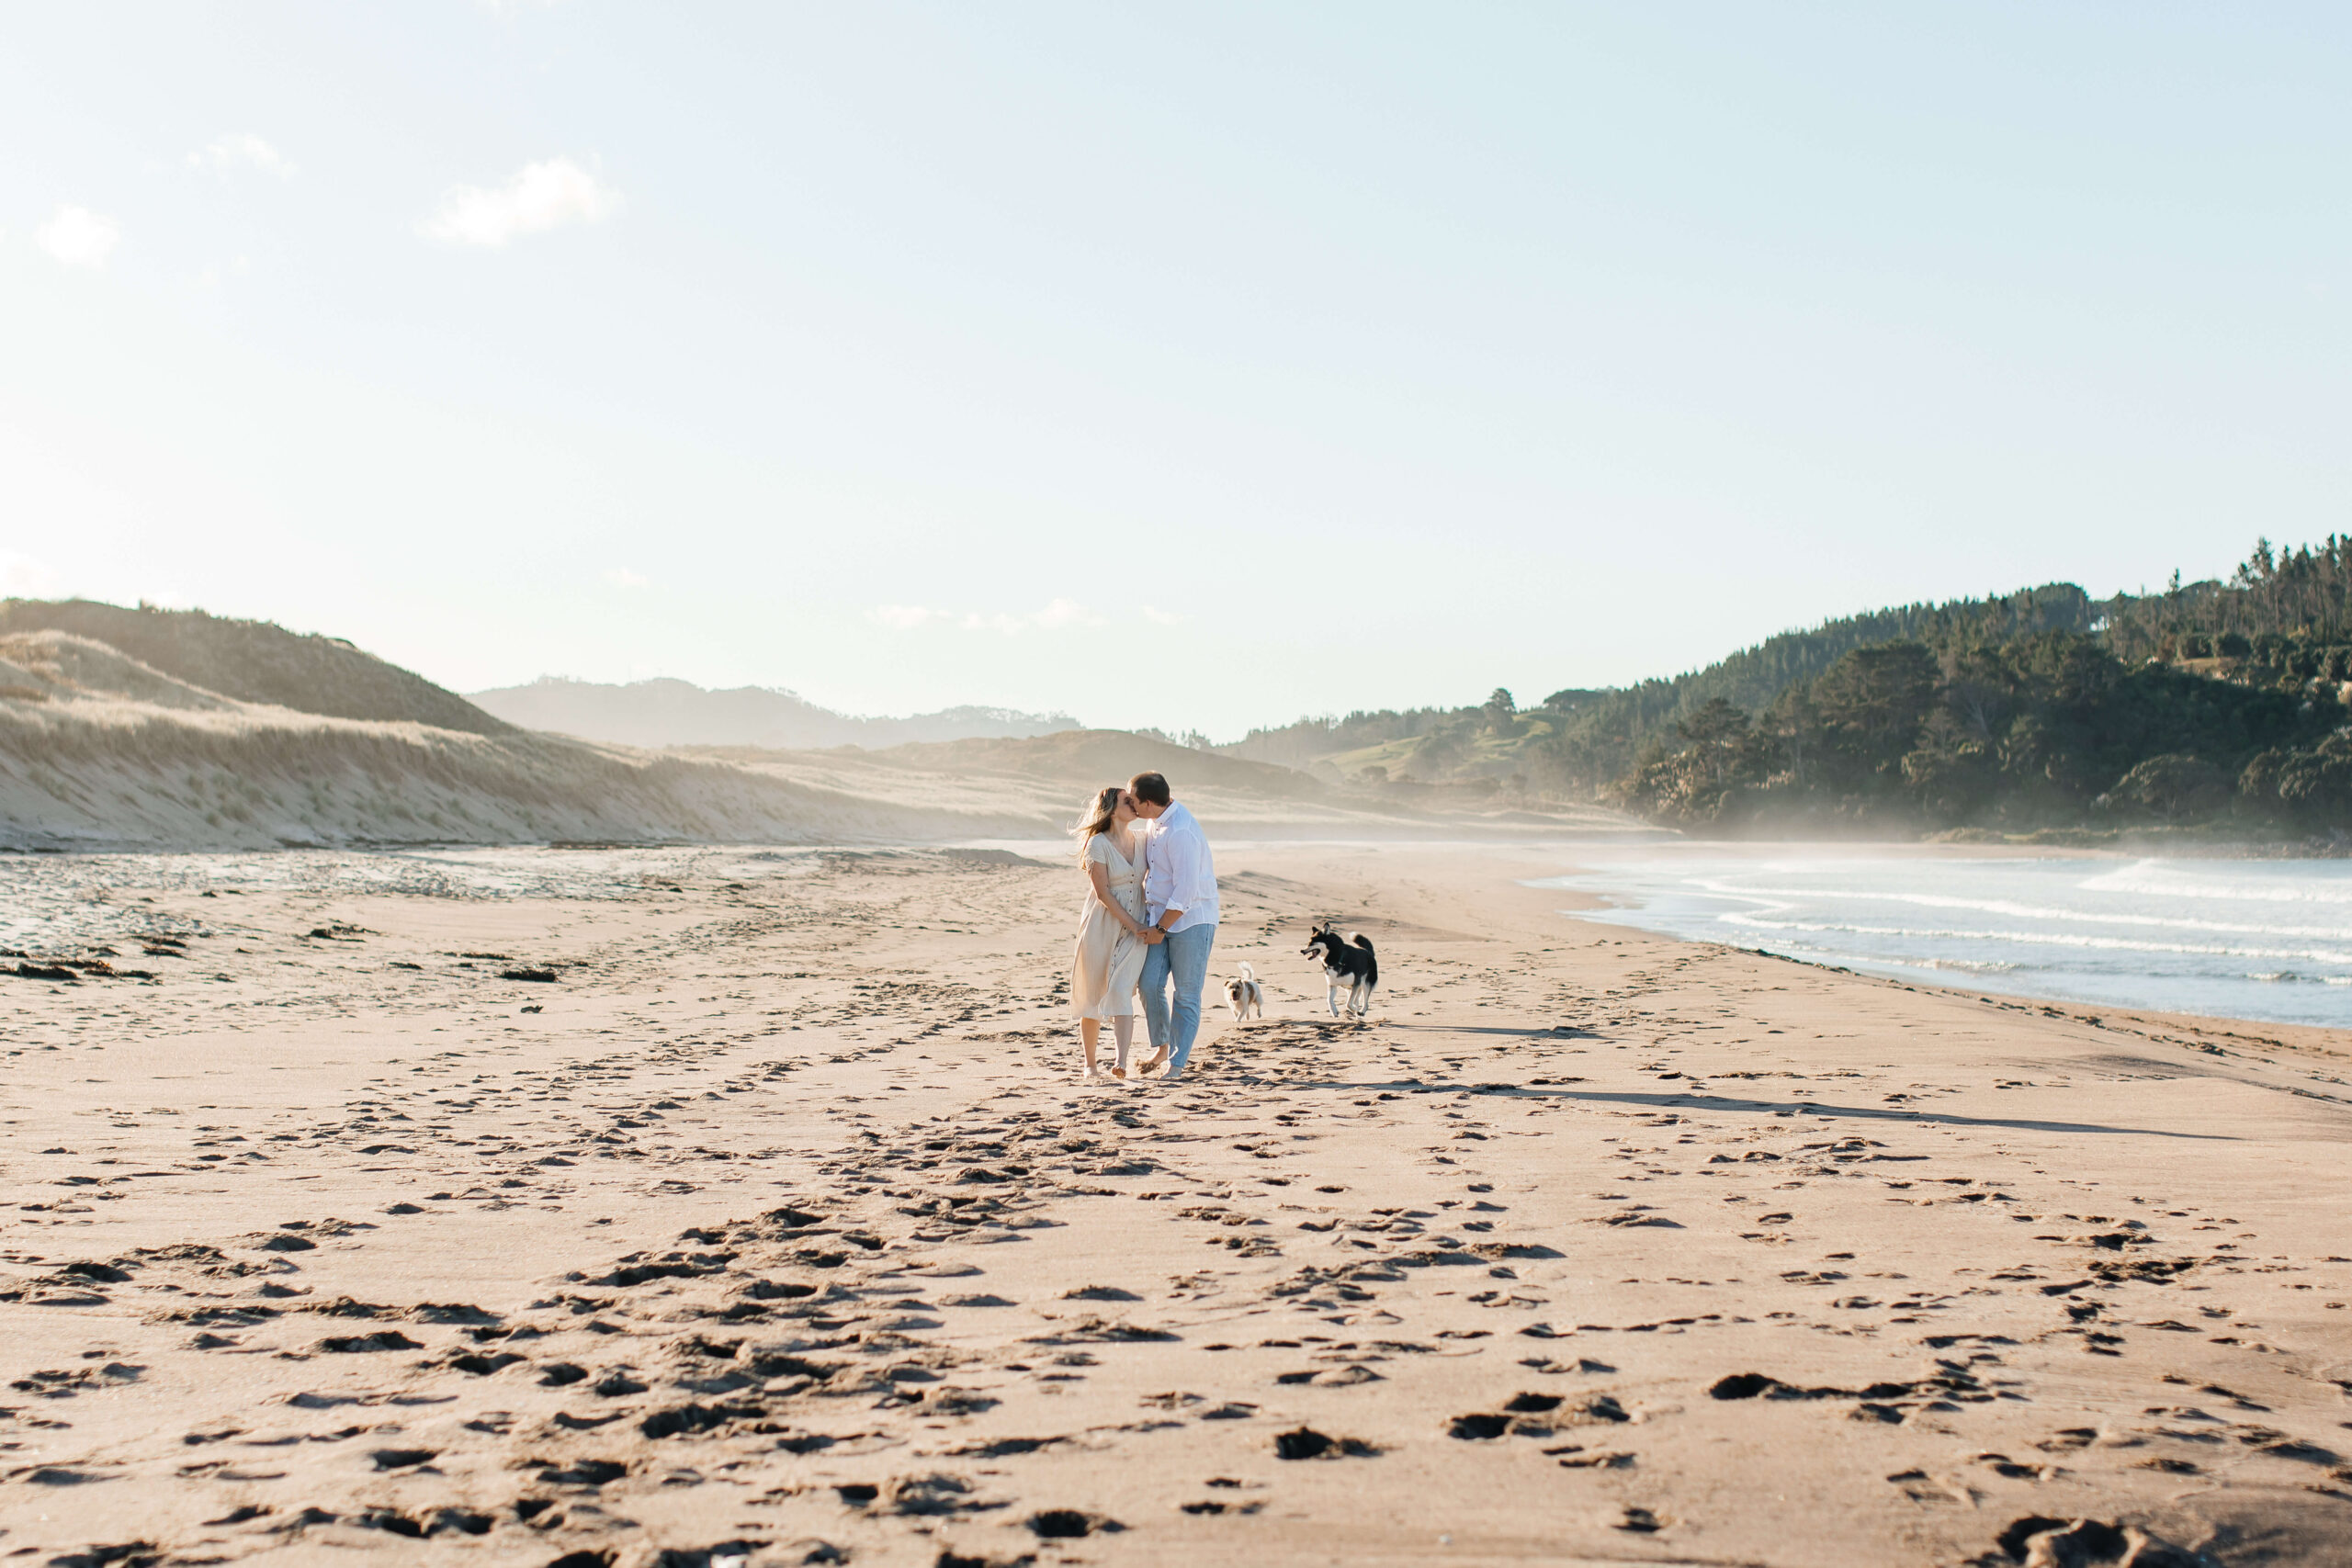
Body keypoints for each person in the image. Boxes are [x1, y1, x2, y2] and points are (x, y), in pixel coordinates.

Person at [1129, 770, 1217, 1078]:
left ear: (1150, 803)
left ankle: (1176, 1064)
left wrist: (1160, 929)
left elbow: (1186, 891)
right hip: (1159, 918)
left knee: (1187, 993)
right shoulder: (1155, 821)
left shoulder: (1181, 831)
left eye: (1134, 801)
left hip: (1192, 921)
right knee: (1150, 984)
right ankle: (1162, 1044)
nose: (1131, 805)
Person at [1068, 784, 1154, 1079]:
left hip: (1137, 928)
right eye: (1127, 801)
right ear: (1111, 809)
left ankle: (1120, 1062)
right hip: (1102, 925)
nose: (1134, 804)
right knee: (1092, 995)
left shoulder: (1143, 840)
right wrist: (1135, 924)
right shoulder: (1098, 844)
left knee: (1120, 990)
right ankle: (1090, 1065)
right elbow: (1102, 893)